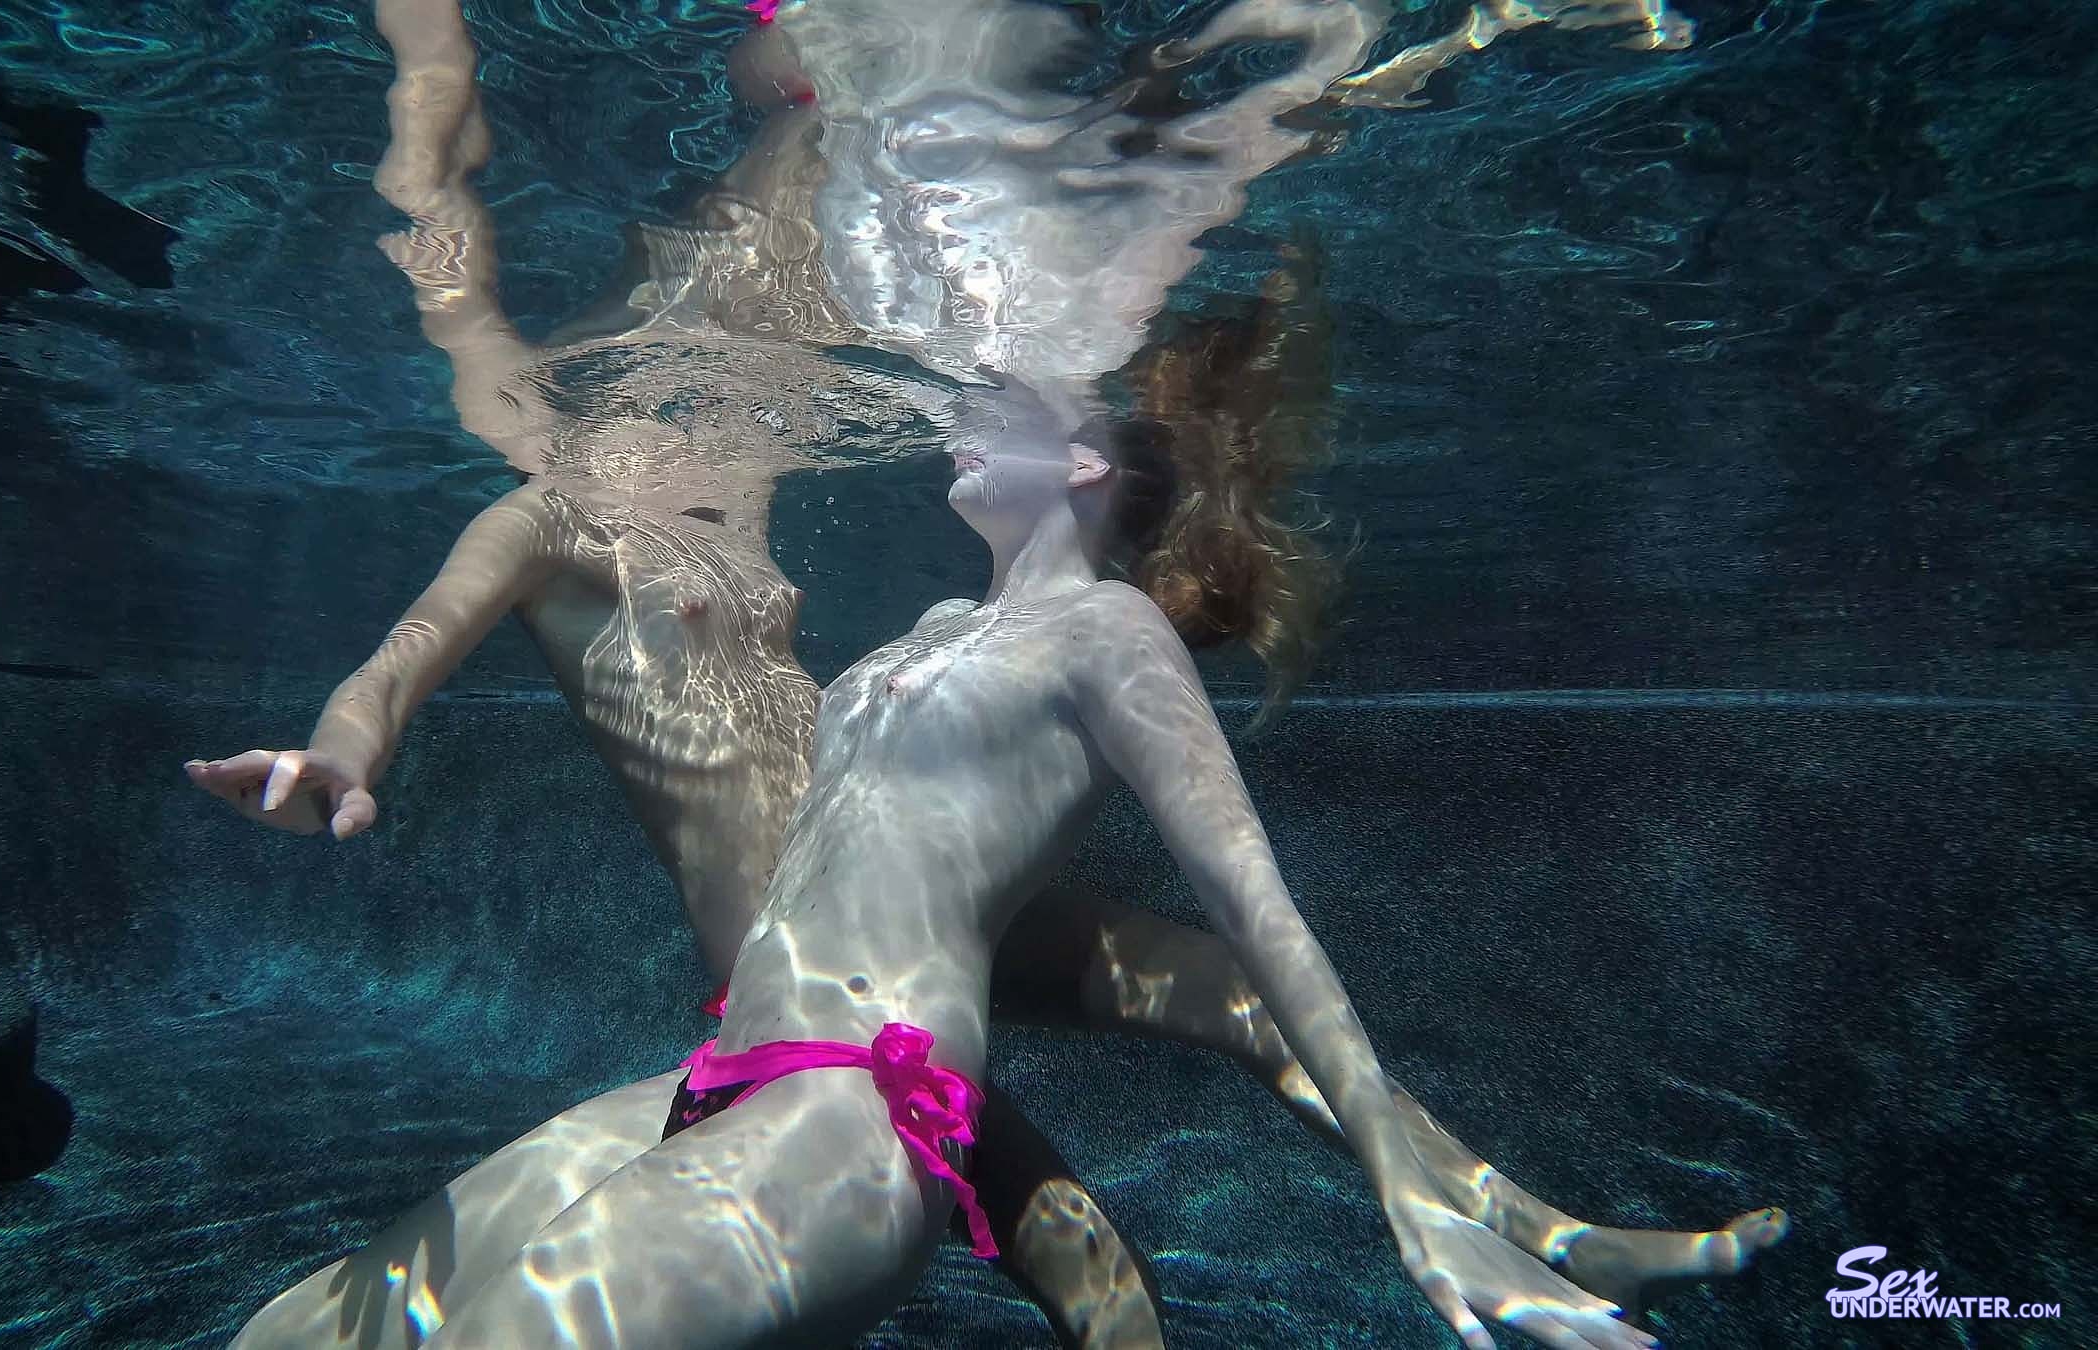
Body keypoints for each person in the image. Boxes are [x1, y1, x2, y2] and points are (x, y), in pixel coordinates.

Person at [191, 1, 1781, 1344]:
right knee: (338, 1310)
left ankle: (1516, 1215)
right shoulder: (552, 507)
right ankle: (1424, 1230)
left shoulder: (821, 535)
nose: (695, 388)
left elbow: (1256, 921)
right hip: (802, 982)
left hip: (882, 942)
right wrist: (340, 755)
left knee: (1232, 1017)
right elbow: (398, 663)